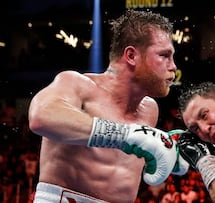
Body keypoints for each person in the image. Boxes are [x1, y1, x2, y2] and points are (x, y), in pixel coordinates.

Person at [28, 10, 188, 203]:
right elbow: (41, 116)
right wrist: (124, 135)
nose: (173, 67)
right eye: (165, 55)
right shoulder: (77, 85)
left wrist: (174, 152)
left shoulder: (149, 110)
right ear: (131, 55)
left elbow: (120, 168)